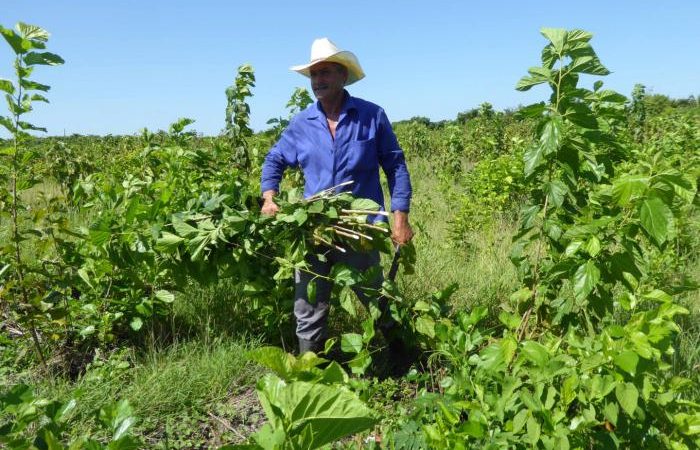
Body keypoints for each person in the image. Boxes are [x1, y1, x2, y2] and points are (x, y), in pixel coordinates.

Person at [260, 37, 414, 355]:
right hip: (312, 227)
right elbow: (275, 160)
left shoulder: (371, 116)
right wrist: (269, 197)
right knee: (308, 305)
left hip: (359, 228)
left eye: (326, 73)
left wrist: (401, 217)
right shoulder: (302, 124)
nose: (319, 81)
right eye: (314, 75)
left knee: (375, 297)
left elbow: (396, 166)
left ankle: (405, 362)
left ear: (343, 75)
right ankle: (309, 370)